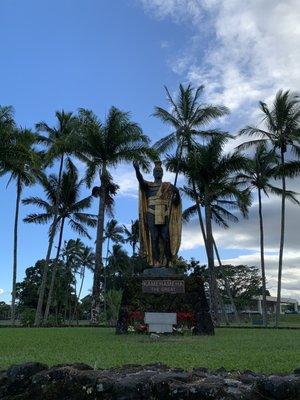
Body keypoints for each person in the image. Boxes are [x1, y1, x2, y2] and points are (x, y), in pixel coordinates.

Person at [133, 160, 182, 267]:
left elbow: (176, 202)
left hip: (164, 212)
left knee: (165, 237)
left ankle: (168, 260)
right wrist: (137, 170)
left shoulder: (168, 186)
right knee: (154, 237)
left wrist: (176, 193)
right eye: (156, 171)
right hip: (151, 212)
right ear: (153, 173)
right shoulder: (149, 185)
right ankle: (156, 261)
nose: (158, 172)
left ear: (162, 173)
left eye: (160, 171)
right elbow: (141, 180)